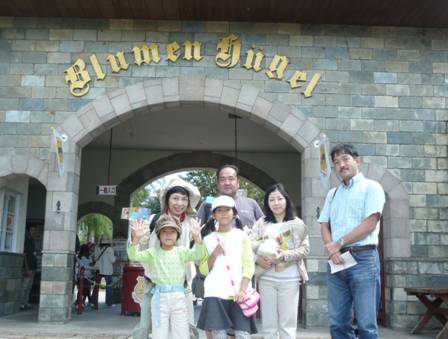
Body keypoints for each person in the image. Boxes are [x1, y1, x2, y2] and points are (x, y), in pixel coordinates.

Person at [318, 144, 385, 339]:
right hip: (337, 260)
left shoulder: (372, 187)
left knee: (366, 325)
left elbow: (370, 223)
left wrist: (339, 243)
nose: (341, 165)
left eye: (345, 159)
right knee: (338, 323)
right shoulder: (333, 193)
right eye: (336, 162)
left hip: (364, 258)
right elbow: (324, 224)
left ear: (357, 160)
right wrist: (333, 251)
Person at [133, 177, 201, 339]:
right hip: (154, 284)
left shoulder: (191, 223)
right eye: (175, 198)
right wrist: (136, 237)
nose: (180, 203)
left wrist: (198, 239)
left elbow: (197, 252)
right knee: (145, 327)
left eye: (184, 199)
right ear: (167, 200)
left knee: (188, 327)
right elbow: (141, 249)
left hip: (182, 285)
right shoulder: (154, 220)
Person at [128, 214, 206, 339]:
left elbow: (199, 254)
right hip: (159, 299)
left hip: (179, 298)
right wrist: (136, 239)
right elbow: (134, 256)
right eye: (164, 231)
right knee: (159, 333)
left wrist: (197, 237)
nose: (168, 235)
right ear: (159, 235)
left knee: (181, 333)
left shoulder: (182, 251)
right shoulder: (153, 253)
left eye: (172, 231)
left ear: (177, 235)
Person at [250, 183, 310, 339]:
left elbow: (305, 249)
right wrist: (258, 259)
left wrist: (284, 255)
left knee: (288, 325)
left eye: (279, 199)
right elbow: (248, 245)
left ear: (286, 200)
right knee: (269, 325)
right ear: (267, 203)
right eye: (271, 200)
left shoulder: (297, 223)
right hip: (266, 278)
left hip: (290, 279)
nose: (276, 203)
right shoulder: (262, 223)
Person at [197, 195, 257, 339]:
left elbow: (249, 265)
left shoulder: (242, 236)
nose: (223, 213)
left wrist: (243, 290)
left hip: (239, 292)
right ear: (213, 215)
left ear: (234, 213)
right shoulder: (207, 239)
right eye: (219, 210)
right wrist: (214, 254)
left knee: (243, 334)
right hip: (215, 292)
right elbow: (203, 269)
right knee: (219, 335)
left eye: (227, 210)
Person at [197, 164, 263, 236]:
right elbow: (196, 231)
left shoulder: (251, 203)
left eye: (231, 179)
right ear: (218, 184)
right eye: (222, 180)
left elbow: (264, 227)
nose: (227, 183)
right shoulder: (207, 204)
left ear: (238, 183)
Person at [93, 237, 116, 307]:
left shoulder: (97, 249)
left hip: (98, 269)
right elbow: (112, 260)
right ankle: (109, 303)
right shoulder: (109, 249)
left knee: (96, 286)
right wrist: (115, 257)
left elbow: (95, 258)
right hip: (107, 270)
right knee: (109, 286)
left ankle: (93, 301)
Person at [21, 225, 38, 310]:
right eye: (32, 230)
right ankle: (21, 303)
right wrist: (27, 268)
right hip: (28, 268)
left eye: (34, 231)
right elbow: (24, 256)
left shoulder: (32, 241)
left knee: (29, 286)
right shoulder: (26, 241)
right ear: (28, 231)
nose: (34, 232)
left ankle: (25, 302)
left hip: (33, 267)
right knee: (24, 286)